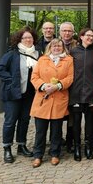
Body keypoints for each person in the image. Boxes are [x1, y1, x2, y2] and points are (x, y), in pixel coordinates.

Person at [0, 27, 40, 163]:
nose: (28, 40)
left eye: (30, 37)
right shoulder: (12, 53)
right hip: (13, 94)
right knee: (10, 121)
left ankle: (21, 145)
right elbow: (0, 69)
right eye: (25, 38)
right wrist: (12, 80)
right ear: (19, 39)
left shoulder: (37, 54)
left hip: (29, 94)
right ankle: (7, 148)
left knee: (24, 120)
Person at [30, 38, 74, 168]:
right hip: (43, 98)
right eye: (54, 46)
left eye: (59, 46)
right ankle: (38, 155)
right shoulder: (42, 59)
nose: (56, 48)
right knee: (40, 131)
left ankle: (55, 154)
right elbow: (34, 76)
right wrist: (43, 86)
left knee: (56, 130)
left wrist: (58, 85)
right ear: (50, 47)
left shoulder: (69, 60)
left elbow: (70, 77)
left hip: (59, 97)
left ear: (63, 48)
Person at [69, 28, 93, 161]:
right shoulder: (74, 51)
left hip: (91, 92)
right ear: (81, 37)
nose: (90, 38)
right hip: (76, 92)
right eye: (88, 35)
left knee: (90, 121)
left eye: (92, 36)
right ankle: (77, 147)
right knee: (76, 122)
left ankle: (89, 146)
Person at [59, 21, 77, 153]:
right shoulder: (55, 44)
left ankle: (70, 140)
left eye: (69, 31)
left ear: (73, 32)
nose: (67, 33)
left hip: (74, 85)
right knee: (57, 114)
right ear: (60, 32)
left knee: (72, 115)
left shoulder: (78, 45)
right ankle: (57, 140)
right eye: (64, 31)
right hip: (58, 86)